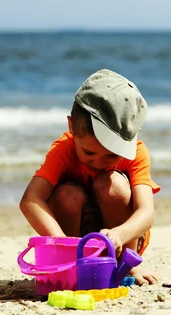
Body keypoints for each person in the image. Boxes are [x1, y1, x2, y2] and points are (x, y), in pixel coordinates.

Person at [20, 69, 160, 285]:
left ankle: (127, 266)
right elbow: (30, 200)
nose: (99, 162)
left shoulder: (136, 153)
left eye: (112, 154)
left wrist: (120, 235)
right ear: (71, 128)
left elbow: (146, 212)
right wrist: (63, 245)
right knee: (67, 194)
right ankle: (72, 264)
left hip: (122, 240)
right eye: (89, 152)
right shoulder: (63, 151)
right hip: (74, 240)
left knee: (111, 185)